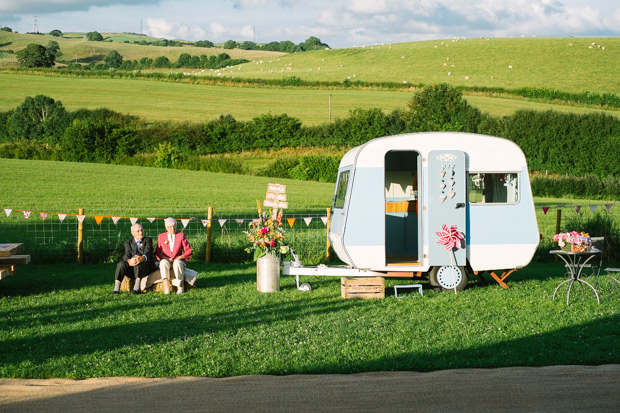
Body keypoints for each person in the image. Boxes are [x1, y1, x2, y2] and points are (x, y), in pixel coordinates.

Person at [112, 223, 156, 295]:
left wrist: (142, 258)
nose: (141, 232)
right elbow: (126, 255)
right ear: (132, 233)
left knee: (138, 263)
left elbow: (148, 252)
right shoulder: (128, 243)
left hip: (145, 267)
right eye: (138, 231)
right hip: (132, 268)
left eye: (141, 230)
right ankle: (116, 289)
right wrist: (129, 261)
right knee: (121, 264)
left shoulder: (148, 240)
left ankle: (136, 288)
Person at [156, 217, 193, 295]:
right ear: (166, 227)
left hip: (178, 260)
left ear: (176, 226)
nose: (172, 228)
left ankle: (180, 287)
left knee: (177, 263)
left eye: (174, 226)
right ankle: (166, 287)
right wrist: (166, 258)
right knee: (163, 263)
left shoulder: (181, 236)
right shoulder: (161, 236)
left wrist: (181, 257)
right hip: (167, 259)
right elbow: (157, 252)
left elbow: (189, 250)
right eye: (169, 227)